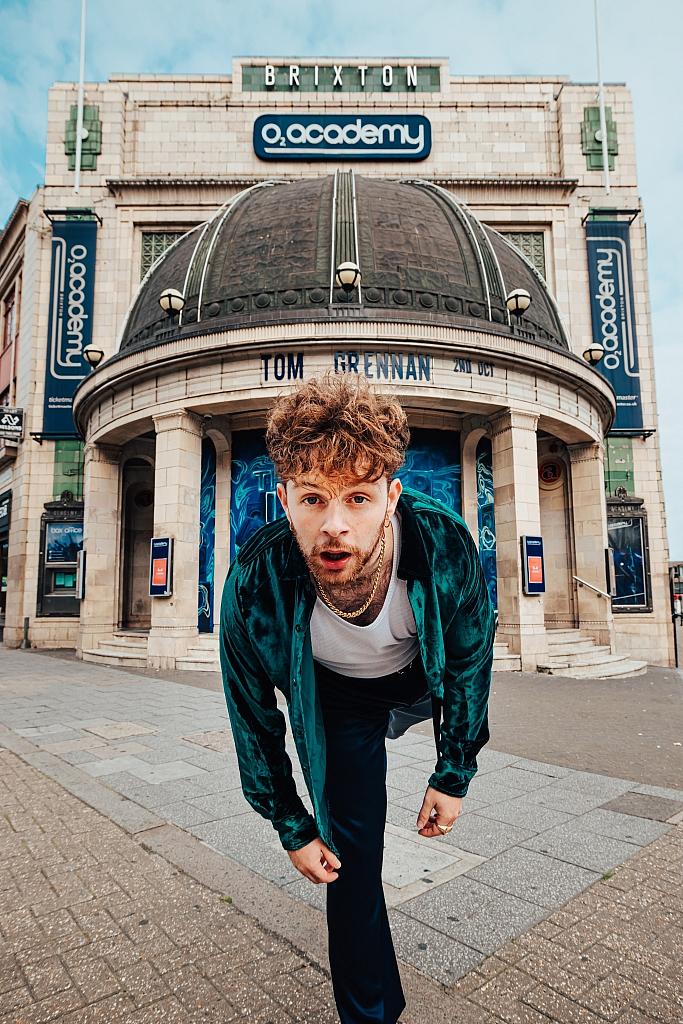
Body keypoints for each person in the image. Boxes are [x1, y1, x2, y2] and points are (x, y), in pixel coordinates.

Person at [219, 374, 496, 1024]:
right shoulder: (256, 579)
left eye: (359, 498)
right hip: (335, 699)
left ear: (391, 496)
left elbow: (468, 659)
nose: (335, 525)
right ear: (283, 497)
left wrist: (452, 772)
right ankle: (370, 1013)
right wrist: (290, 821)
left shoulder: (441, 542)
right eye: (313, 499)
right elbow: (251, 714)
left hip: (412, 679)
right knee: (349, 860)